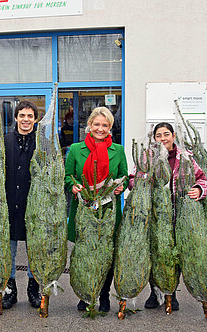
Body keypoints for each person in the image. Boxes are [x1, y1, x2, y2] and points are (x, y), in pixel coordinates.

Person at [64, 106, 128, 312]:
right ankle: (85, 293)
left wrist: (121, 187)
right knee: (85, 253)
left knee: (107, 254)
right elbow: (67, 176)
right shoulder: (75, 149)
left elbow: (124, 176)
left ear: (110, 128)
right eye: (97, 124)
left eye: (105, 125)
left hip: (108, 211)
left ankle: (104, 295)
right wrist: (72, 186)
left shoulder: (118, 150)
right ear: (89, 125)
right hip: (84, 210)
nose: (100, 129)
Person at [141, 122, 207, 311]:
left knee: (173, 256)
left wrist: (198, 189)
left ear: (173, 136)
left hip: (178, 215)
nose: (163, 139)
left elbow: (201, 178)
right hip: (155, 214)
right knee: (155, 253)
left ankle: (172, 292)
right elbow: (137, 176)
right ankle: (154, 292)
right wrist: (136, 184)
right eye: (158, 135)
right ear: (154, 138)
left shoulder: (185, 158)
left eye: (166, 134)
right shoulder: (149, 158)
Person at [2, 100, 41, 310]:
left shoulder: (41, 143)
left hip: (33, 206)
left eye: (30, 116)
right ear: (16, 117)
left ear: (35, 120)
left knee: (34, 249)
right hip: (9, 204)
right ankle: (10, 290)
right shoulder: (4, 141)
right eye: (22, 116)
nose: (26, 120)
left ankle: (33, 289)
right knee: (9, 250)